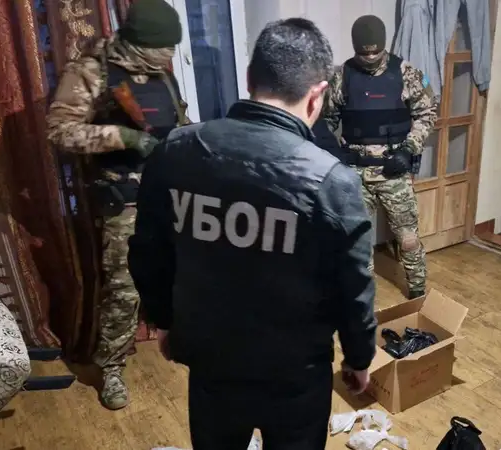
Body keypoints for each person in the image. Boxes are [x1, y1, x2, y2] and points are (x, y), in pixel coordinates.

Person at [127, 17, 377, 450]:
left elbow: (148, 252)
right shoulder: (332, 181)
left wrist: (164, 322)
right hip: (295, 375)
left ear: (249, 79)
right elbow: (354, 287)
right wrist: (359, 358)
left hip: (211, 361)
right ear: (317, 95)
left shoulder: (176, 151)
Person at [46, 0, 189, 410]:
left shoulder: (160, 72)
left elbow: (176, 121)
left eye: (171, 48)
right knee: (124, 289)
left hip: (170, 193)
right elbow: (59, 131)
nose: (169, 55)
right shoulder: (92, 71)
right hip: (124, 199)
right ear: (139, 42)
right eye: (162, 48)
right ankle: (110, 367)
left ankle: (177, 339)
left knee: (178, 273)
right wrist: (122, 138)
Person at [325, 14, 438, 300]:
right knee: (357, 242)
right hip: (355, 174)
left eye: (375, 52)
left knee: (408, 239)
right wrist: (335, 153)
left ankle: (417, 293)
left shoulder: (406, 73)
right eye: (364, 53)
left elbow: (427, 112)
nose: (370, 57)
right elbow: (326, 121)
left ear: (383, 46)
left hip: (394, 170)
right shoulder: (341, 76)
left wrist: (409, 148)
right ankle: (362, 299)